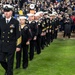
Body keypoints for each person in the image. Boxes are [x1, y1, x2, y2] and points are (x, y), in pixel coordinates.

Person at [0, 4, 21, 75]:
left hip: (11, 45)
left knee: (10, 62)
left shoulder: (15, 22)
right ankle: (8, 70)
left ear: (11, 12)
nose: (6, 13)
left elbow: (18, 35)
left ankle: (9, 73)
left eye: (8, 11)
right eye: (5, 11)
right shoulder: (1, 21)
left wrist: (18, 46)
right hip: (2, 44)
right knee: (1, 60)